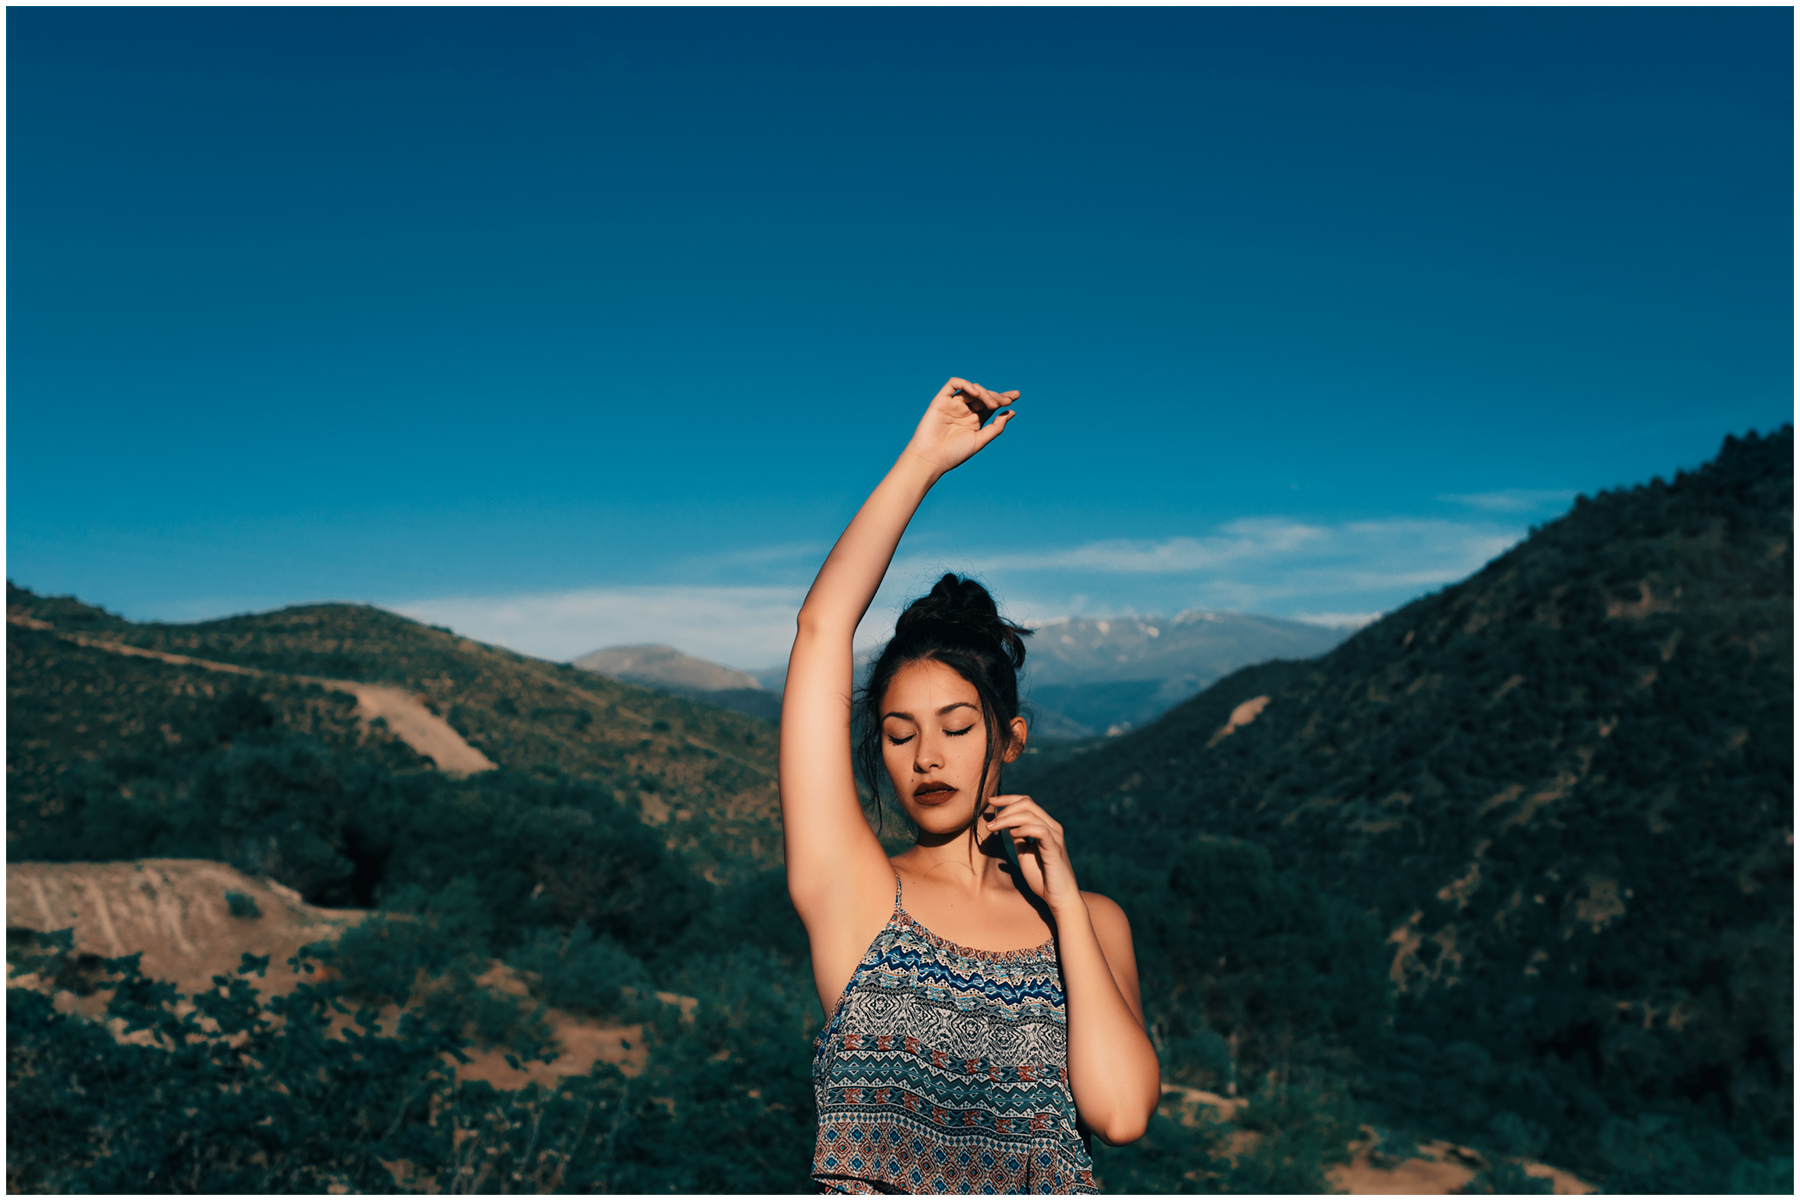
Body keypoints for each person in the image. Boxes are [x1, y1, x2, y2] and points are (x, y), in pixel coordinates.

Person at [781, 378, 1162, 1194]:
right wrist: (923, 462)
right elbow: (821, 630)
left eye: (956, 727)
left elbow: (1123, 1112)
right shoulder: (857, 892)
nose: (927, 756)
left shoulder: (1091, 924)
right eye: (898, 732)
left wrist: (1063, 905)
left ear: (1009, 741)